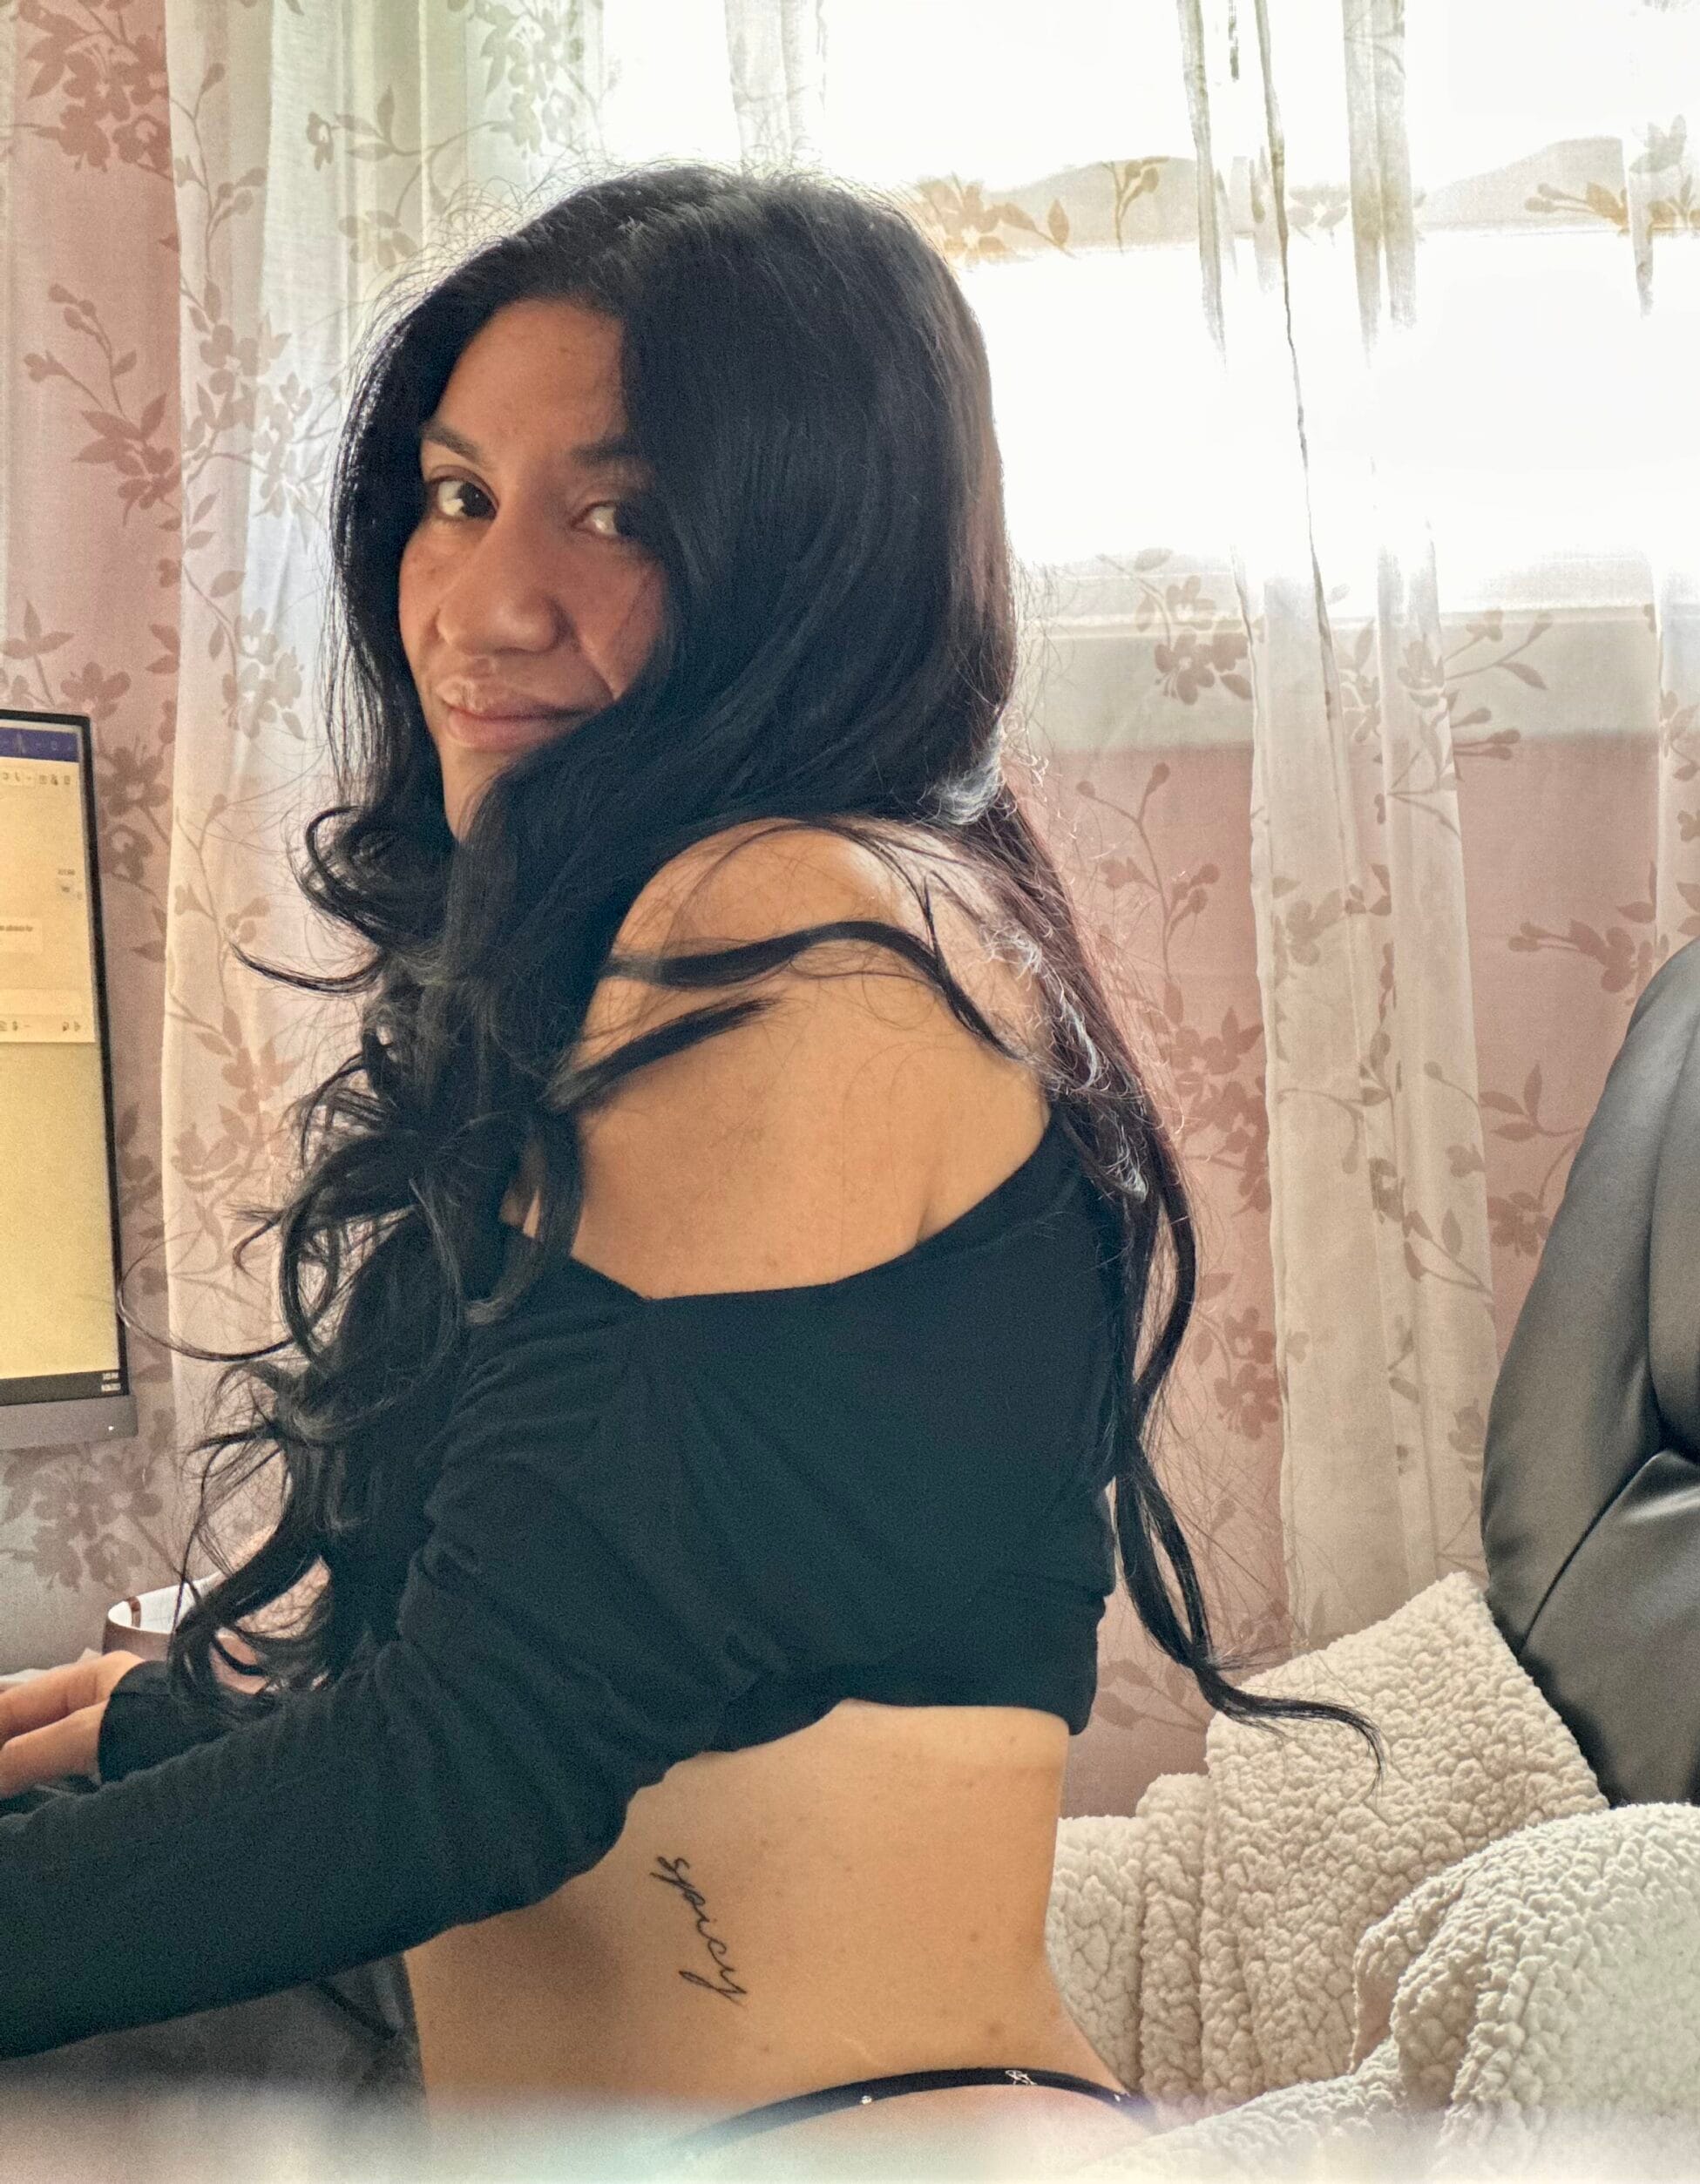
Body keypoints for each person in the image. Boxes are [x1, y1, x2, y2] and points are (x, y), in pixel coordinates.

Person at [0, 164, 1382, 2165]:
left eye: (621, 515)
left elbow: (470, 1770)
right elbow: (614, 1641)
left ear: (813, 559)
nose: (485, 604)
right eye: (457, 495)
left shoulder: (786, 923)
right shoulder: (840, 903)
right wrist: (166, 1724)